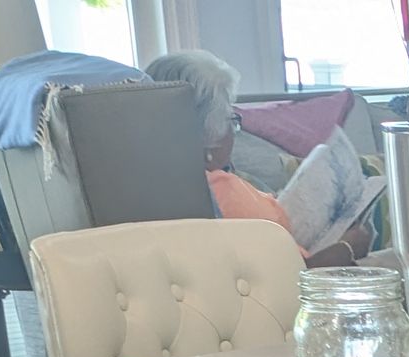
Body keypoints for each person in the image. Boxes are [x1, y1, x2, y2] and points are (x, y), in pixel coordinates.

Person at [145, 51, 376, 267]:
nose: (232, 132)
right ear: (208, 134)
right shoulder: (220, 189)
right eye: (230, 120)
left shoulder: (151, 188)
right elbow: (289, 277)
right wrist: (347, 247)